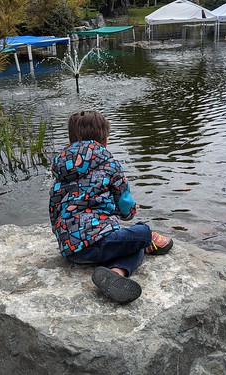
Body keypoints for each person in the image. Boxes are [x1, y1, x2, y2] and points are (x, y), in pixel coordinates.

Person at [49, 110, 173, 304]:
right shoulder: (110, 164)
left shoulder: (61, 169)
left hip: (71, 251)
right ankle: (136, 251)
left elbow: (54, 209)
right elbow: (124, 201)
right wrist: (130, 212)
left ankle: (115, 274)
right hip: (99, 243)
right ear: (104, 140)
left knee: (132, 247)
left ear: (71, 138)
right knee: (142, 235)